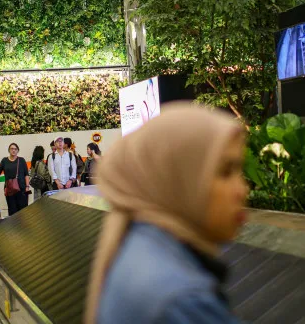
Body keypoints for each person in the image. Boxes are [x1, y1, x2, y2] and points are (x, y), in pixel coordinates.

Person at [85, 103, 247, 324]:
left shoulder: (139, 244)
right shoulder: (182, 302)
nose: (242, 190)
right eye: (225, 172)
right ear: (179, 177)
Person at [0, 143, 30, 216]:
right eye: (12, 149)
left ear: (18, 150)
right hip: (9, 190)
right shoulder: (4, 160)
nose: (13, 150)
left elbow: (26, 175)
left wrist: (27, 187)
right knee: (12, 211)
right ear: (9, 150)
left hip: (22, 189)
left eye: (15, 149)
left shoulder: (21, 160)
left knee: (23, 210)